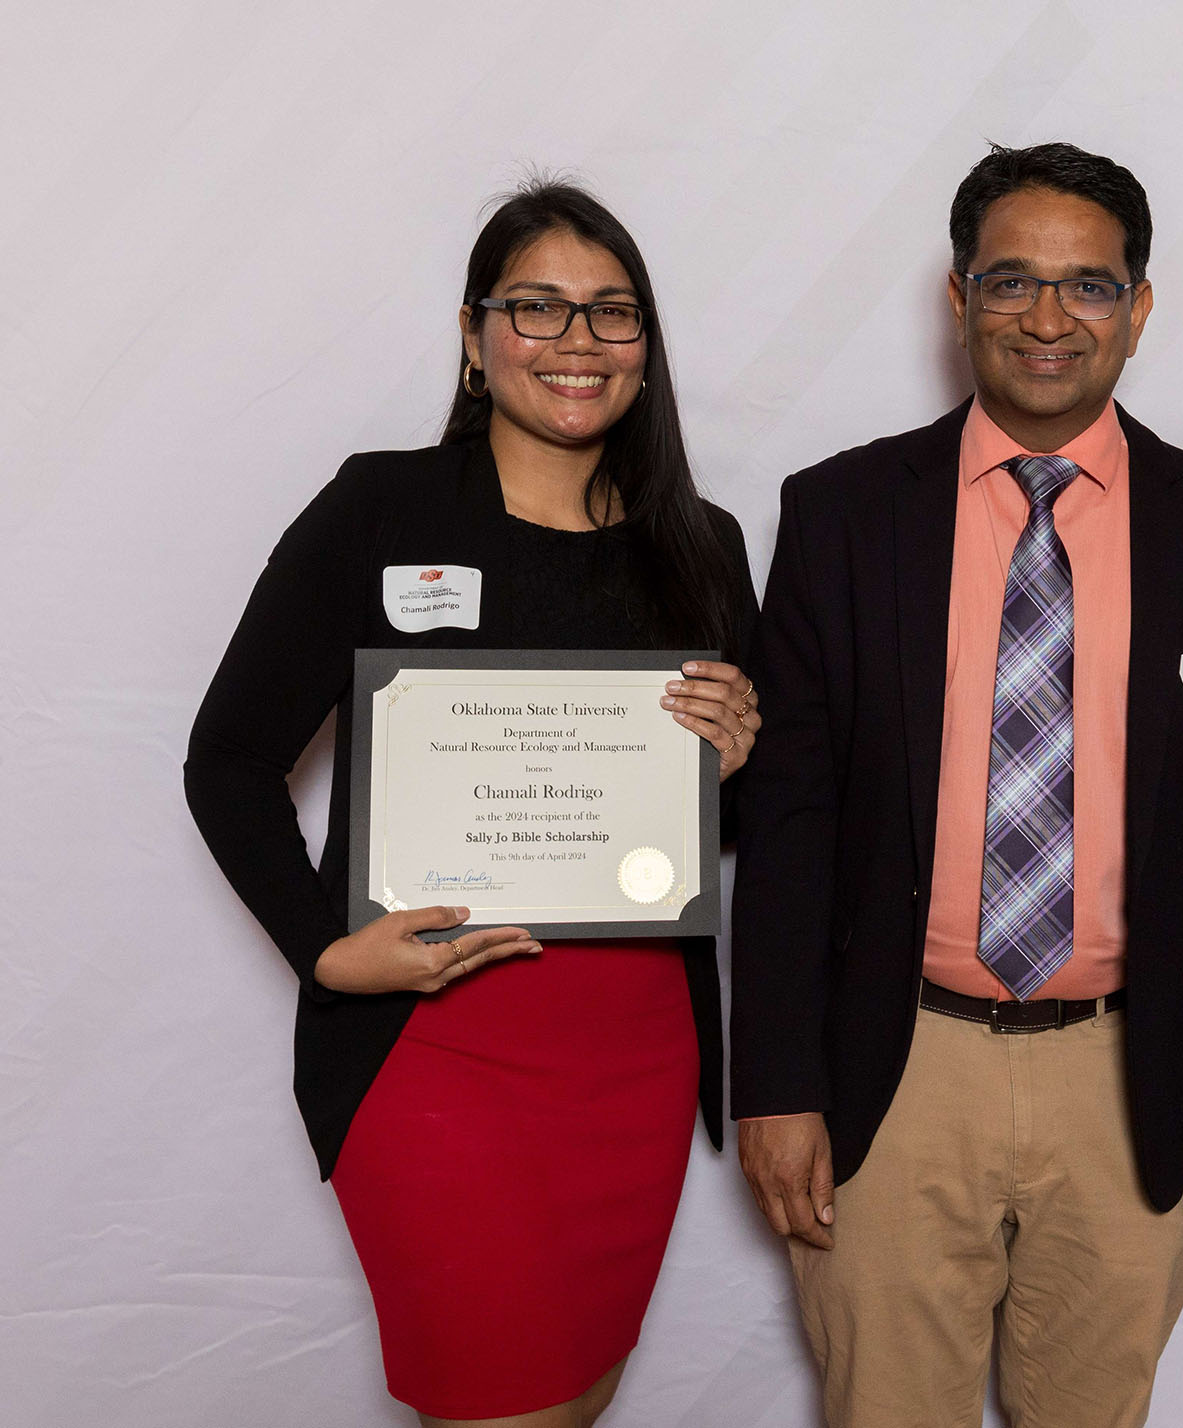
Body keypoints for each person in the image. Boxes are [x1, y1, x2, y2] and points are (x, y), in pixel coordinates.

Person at [729, 141, 1183, 1428]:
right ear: (957, 298)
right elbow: (787, 822)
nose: (1048, 320)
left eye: (1089, 287)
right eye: (1011, 282)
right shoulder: (838, 512)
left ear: (1138, 308)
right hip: (893, 1068)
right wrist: (773, 1082)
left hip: (1128, 1074)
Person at [184, 181, 760, 1428]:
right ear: (470, 335)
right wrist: (327, 955)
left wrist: (733, 762)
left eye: (611, 313)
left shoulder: (702, 546)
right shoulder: (378, 510)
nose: (575, 342)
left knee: (579, 1396)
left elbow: (731, 834)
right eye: (536, 308)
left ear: (647, 350)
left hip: (637, 1058)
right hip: (433, 1054)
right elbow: (227, 759)